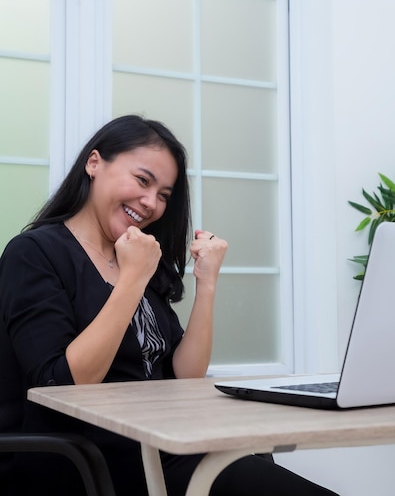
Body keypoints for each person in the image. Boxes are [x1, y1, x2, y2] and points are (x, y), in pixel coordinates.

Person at [0, 114, 340, 496]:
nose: (150, 204)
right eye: (143, 181)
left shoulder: (138, 255)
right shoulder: (34, 253)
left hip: (164, 447)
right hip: (94, 462)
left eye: (164, 195)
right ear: (94, 163)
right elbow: (63, 383)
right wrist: (132, 279)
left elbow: (183, 375)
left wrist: (207, 282)